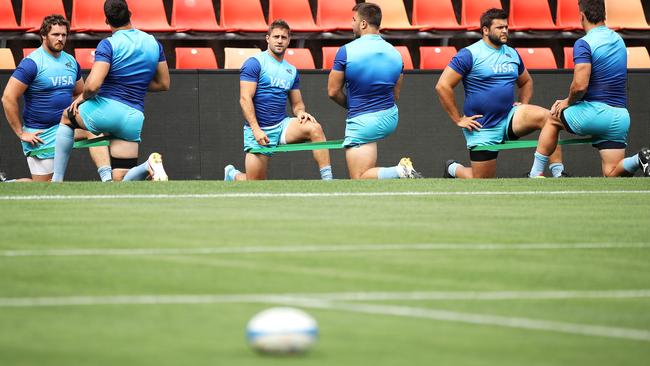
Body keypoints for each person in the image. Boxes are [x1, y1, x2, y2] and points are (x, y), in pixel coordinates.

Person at [436, 8, 567, 179]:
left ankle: (556, 173)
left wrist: (523, 103)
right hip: (482, 126)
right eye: (499, 27)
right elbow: (442, 86)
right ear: (485, 30)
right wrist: (458, 119)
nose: (505, 31)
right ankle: (452, 168)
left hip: (509, 118)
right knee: (481, 179)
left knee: (550, 118)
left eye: (506, 27)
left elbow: (526, 81)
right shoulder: (469, 54)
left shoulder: (512, 53)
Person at [527, 0, 649, 178]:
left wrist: (567, 102)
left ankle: (536, 173)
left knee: (553, 117)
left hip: (595, 115)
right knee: (612, 172)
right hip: (620, 118)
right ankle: (639, 158)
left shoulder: (584, 43)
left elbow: (580, 86)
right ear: (603, 15)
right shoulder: (619, 41)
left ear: (581, 16)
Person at [52, 0, 170, 182]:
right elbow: (163, 84)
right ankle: (148, 165)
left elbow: (92, 86)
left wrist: (82, 98)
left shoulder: (108, 44)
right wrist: (133, 84)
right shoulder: (153, 43)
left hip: (106, 111)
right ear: (130, 14)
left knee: (67, 117)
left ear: (106, 21)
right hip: (133, 117)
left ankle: (56, 180)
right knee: (121, 177)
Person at [1, 15, 111, 182]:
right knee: (41, 188)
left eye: (64, 35)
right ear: (44, 35)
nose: (60, 39)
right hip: (40, 135)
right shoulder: (32, 63)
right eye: (55, 35)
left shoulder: (71, 62)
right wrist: (21, 133)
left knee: (93, 128)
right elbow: (8, 98)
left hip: (64, 128)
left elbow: (79, 93)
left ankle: (108, 180)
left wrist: (75, 112)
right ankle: (6, 184)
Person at [224, 20, 333, 181]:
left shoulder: (291, 70)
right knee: (255, 184)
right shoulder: (255, 63)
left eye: (284, 37)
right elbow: (245, 99)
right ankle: (233, 175)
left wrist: (301, 112)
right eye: (276, 37)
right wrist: (256, 130)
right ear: (267, 38)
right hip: (259, 130)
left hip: (282, 126)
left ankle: (328, 180)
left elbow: (297, 103)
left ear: (289, 40)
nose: (280, 40)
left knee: (315, 128)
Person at [327, 2, 421, 180]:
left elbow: (333, 91)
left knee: (360, 176)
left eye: (354, 20)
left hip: (362, 122)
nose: (351, 24)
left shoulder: (346, 51)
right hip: (390, 118)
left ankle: (400, 171)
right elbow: (396, 94)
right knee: (366, 173)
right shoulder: (396, 54)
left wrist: (352, 105)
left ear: (363, 24)